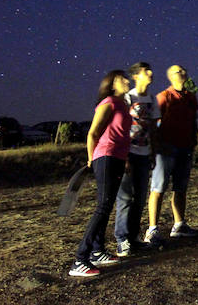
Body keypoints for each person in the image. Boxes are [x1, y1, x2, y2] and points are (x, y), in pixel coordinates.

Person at [69, 70, 133, 277]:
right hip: (105, 157)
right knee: (103, 206)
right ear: (112, 84)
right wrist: (91, 158)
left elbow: (122, 135)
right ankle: (80, 260)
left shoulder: (123, 104)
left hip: (116, 158)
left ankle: (97, 251)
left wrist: (125, 159)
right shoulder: (109, 102)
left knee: (107, 205)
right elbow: (93, 133)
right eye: (122, 78)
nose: (127, 80)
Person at [145, 65, 198, 244]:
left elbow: (193, 120)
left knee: (180, 188)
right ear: (170, 76)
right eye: (178, 71)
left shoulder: (191, 97)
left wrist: (193, 140)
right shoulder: (164, 97)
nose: (183, 73)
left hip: (185, 148)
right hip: (166, 149)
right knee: (158, 188)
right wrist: (156, 147)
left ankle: (179, 225)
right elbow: (153, 124)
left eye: (184, 70)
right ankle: (152, 229)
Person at [113, 61, 158, 256]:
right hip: (129, 152)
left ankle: (133, 237)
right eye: (145, 71)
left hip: (144, 152)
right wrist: (123, 155)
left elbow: (154, 127)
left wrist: (153, 151)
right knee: (125, 199)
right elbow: (121, 127)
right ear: (136, 76)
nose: (150, 73)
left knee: (140, 198)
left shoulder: (152, 99)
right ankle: (121, 239)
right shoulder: (127, 97)